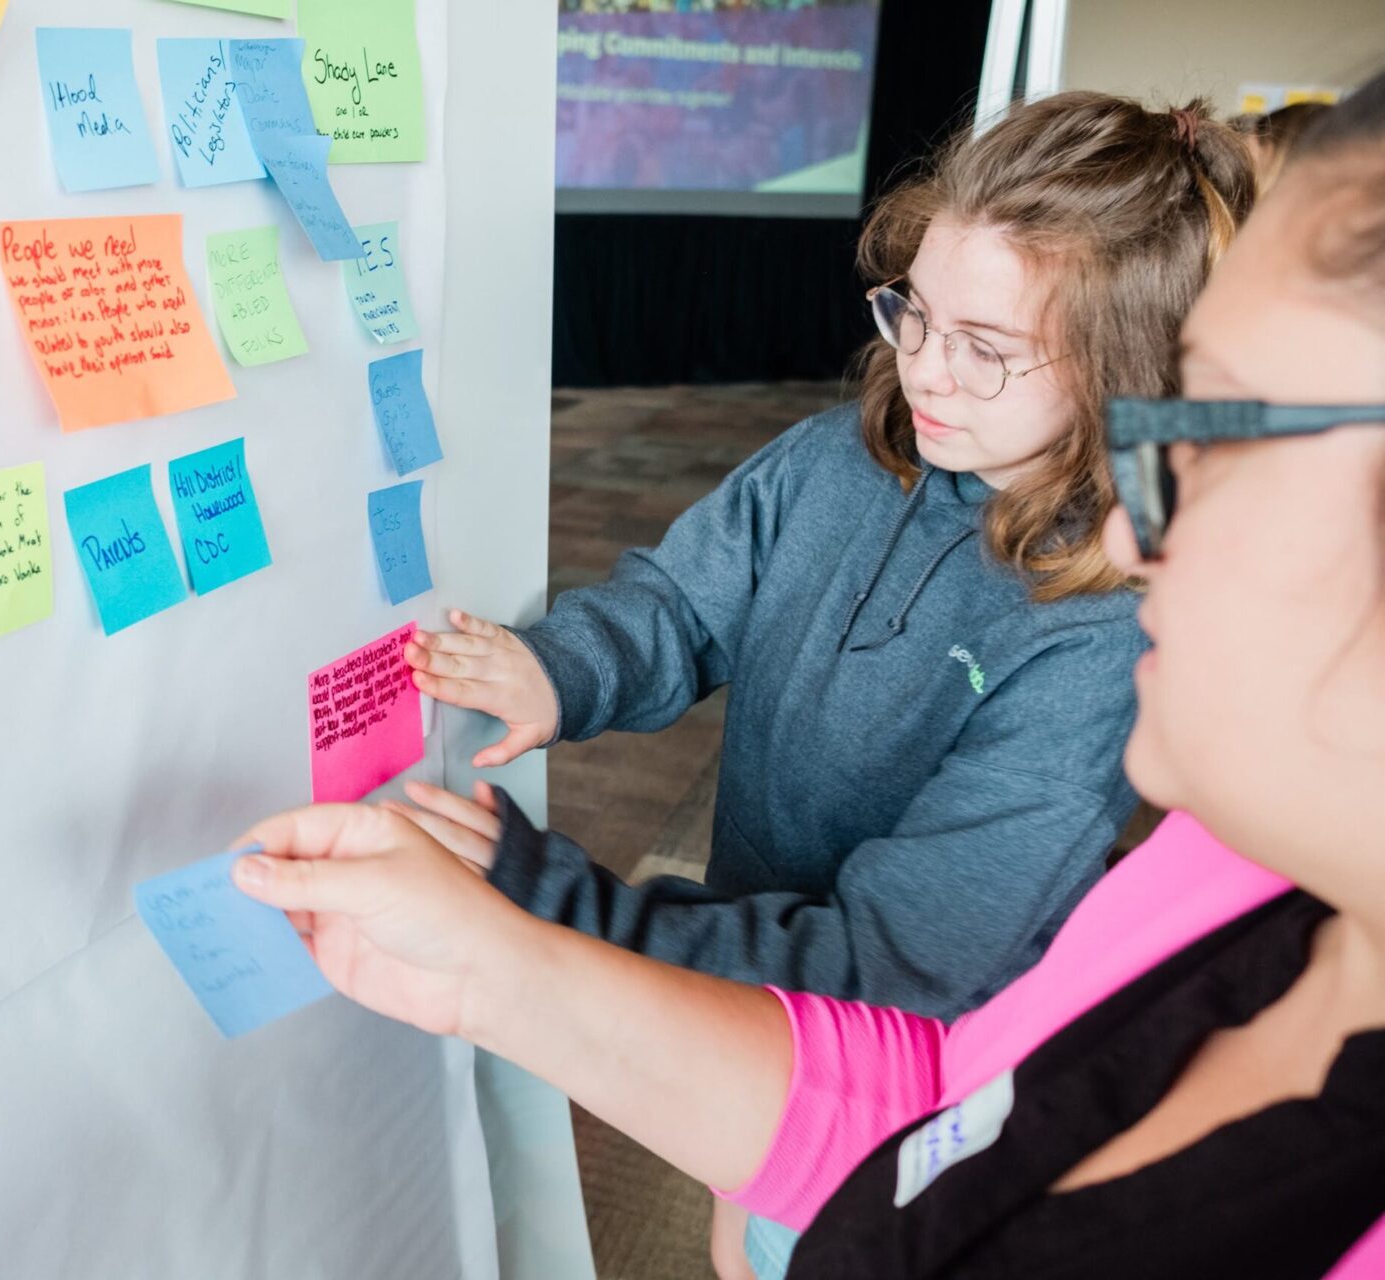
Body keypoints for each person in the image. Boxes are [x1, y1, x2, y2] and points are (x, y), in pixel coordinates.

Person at [232, 72, 1385, 1276]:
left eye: (987, 349)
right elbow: (683, 602)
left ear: (1130, 376)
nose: (927, 371)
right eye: (915, 316)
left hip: (843, 1000)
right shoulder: (833, 455)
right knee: (752, 1222)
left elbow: (896, 990)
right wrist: (563, 669)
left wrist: (559, 905)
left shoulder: (1098, 643)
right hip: (765, 985)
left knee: (777, 1231)